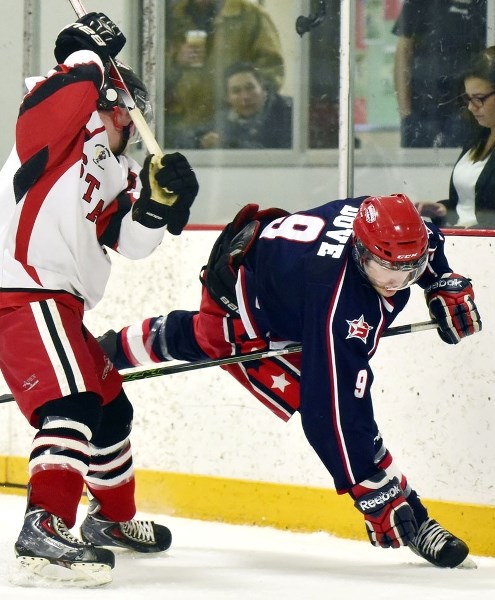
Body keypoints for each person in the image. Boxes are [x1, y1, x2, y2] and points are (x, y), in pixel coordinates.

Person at [99, 194, 481, 569]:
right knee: (212, 338)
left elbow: (427, 240)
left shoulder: (385, 223)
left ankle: (410, 514)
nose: (397, 283)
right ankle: (104, 352)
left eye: (408, 271)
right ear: (360, 249)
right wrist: (368, 492)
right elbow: (329, 412)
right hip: (241, 298)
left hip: (285, 279)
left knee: (346, 414)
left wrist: (440, 280)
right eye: (386, 269)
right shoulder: (337, 305)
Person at [0, 13, 199, 586]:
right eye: (127, 114)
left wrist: (159, 205)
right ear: (114, 106)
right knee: (75, 407)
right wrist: (85, 56)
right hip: (22, 287)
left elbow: (132, 242)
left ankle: (111, 520)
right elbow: (52, 102)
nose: (133, 128)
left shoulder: (118, 171)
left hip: (60, 302)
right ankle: (43, 528)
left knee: (111, 407)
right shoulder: (60, 127)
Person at [164, 0, 285, 148]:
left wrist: (239, 113)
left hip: (234, 136)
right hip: (178, 135)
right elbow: (146, 74)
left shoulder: (251, 16)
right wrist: (175, 60)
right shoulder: (168, 18)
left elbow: (272, 72)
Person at [417, 46, 495, 228]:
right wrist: (444, 210)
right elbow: (469, 203)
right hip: (462, 240)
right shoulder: (478, 137)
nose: (471, 107)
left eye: (479, 98)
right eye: (468, 98)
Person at [393, 0, 487, 148]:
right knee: (416, 168)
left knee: (467, 167)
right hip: (422, 112)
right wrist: (406, 112)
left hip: (471, 112)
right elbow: (403, 54)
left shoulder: (486, 6)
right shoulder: (420, 4)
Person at [187, 62, 292, 149]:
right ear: (227, 98)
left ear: (262, 87)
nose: (245, 97)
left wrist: (229, 144)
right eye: (236, 91)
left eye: (250, 88)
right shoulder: (224, 118)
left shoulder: (287, 112)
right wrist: (200, 142)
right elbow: (184, 139)